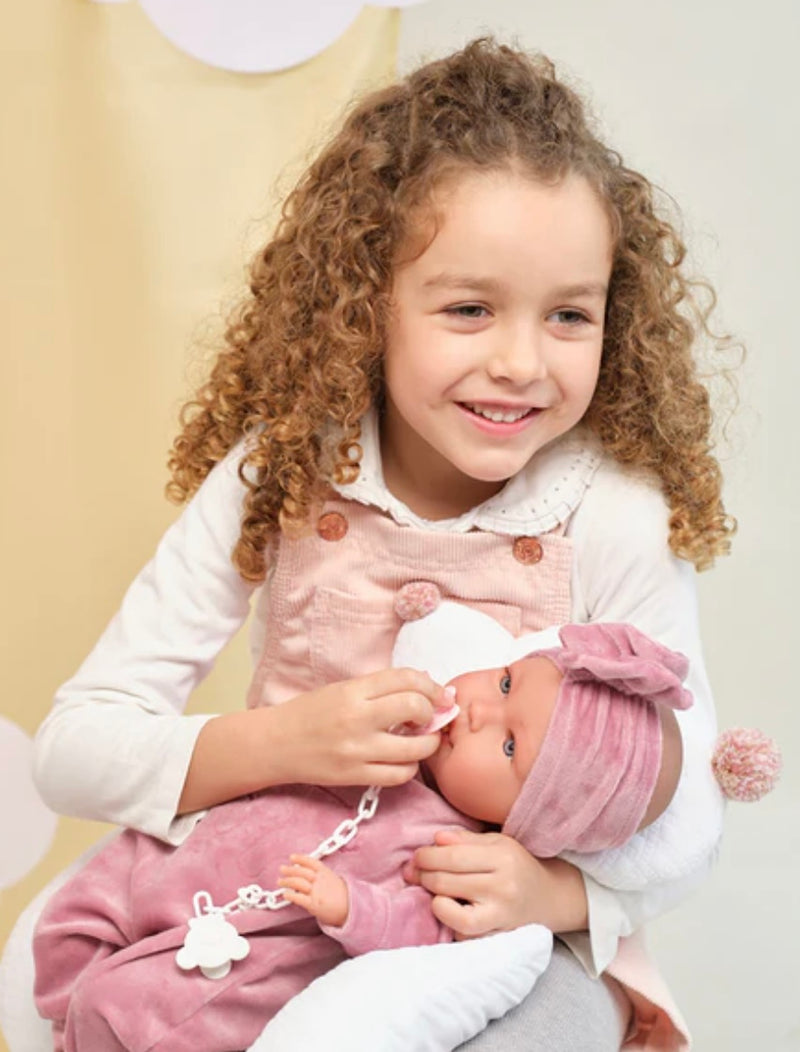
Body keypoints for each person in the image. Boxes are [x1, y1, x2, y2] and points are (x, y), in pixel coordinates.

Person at [30, 37, 736, 1052]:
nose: (519, 361)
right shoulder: (275, 474)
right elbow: (75, 747)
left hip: (496, 949)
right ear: (363, 306)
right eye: (467, 308)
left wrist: (553, 889)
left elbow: (686, 809)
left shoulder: (609, 514)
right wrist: (278, 742)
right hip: (272, 915)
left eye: (568, 314)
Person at [33, 622, 690, 1052]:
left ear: (527, 823)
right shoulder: (390, 726)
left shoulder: (452, 849)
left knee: (132, 1010)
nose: (482, 708)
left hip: (248, 939)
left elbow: (420, 932)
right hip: (194, 860)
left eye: (510, 744)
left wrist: (350, 906)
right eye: (507, 680)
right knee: (77, 919)